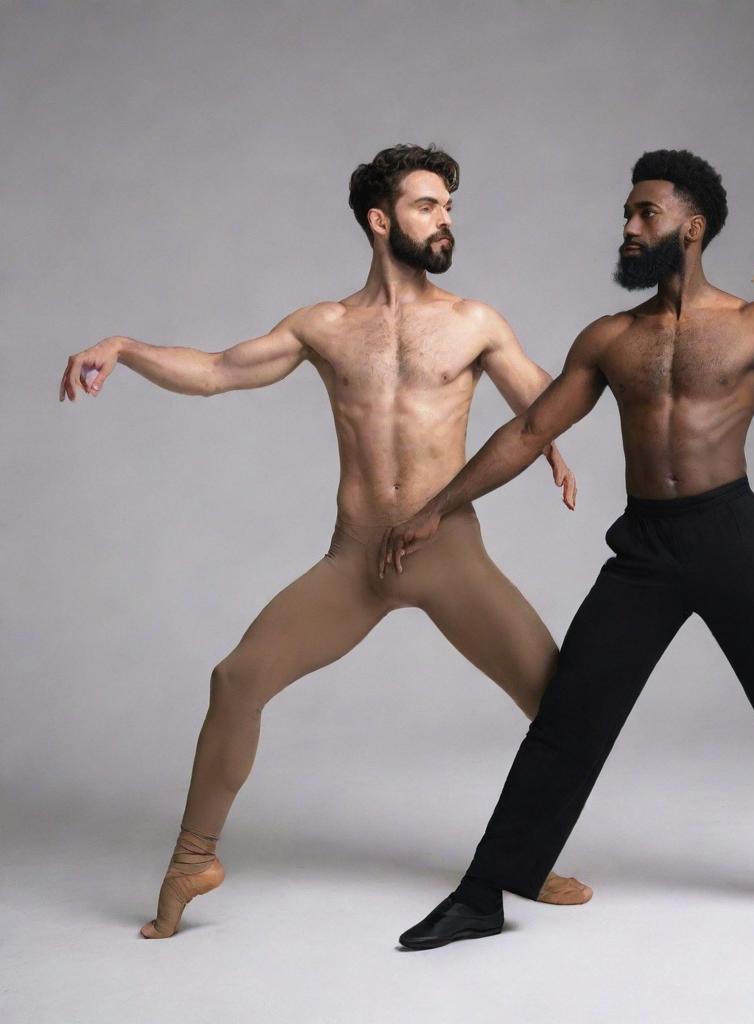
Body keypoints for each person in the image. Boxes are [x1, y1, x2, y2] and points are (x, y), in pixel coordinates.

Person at [382, 148, 754, 949]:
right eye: (627, 215)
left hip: (731, 533)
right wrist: (439, 506)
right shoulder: (610, 338)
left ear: (692, 228)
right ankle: (484, 892)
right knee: (572, 712)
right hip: (647, 546)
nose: (629, 228)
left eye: (646, 214)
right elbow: (533, 428)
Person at [59, 143, 594, 939]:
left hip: (447, 552)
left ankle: (527, 854)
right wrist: (127, 348)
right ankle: (191, 860)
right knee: (235, 679)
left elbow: (544, 398)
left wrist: (549, 442)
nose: (445, 219)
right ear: (381, 222)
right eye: (427, 206)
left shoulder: (474, 322)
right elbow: (214, 370)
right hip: (358, 560)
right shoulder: (325, 327)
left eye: (448, 206)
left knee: (563, 705)